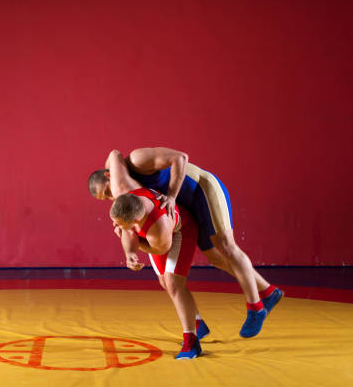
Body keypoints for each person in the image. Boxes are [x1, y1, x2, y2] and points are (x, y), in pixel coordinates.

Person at [89, 147, 283, 338]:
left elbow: (180, 157)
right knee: (214, 258)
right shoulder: (126, 189)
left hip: (201, 189)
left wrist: (172, 196)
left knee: (225, 245)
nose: (112, 197)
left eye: (107, 191)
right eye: (106, 198)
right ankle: (267, 291)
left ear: (109, 174)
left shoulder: (137, 160)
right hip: (184, 207)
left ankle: (255, 307)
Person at [106, 149, 208, 359]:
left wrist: (136, 247)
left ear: (135, 223)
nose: (113, 225)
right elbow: (114, 154)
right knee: (164, 281)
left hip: (180, 232)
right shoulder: (124, 195)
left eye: (118, 224)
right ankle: (197, 321)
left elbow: (159, 249)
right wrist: (130, 252)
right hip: (149, 232)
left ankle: (192, 342)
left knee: (173, 282)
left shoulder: (158, 228)